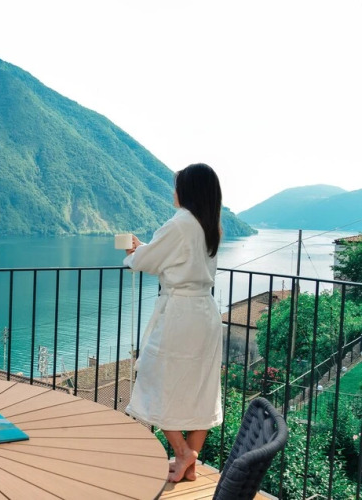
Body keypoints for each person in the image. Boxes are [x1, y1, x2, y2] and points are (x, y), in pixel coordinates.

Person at [123, 163, 223, 483]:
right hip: (205, 312)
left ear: (188, 190)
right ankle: (188, 463)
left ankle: (182, 452)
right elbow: (175, 256)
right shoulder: (209, 225)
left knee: (153, 377)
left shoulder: (180, 223)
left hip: (181, 314)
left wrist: (136, 251)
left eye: (177, 185)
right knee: (201, 387)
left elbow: (147, 260)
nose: (174, 191)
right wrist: (148, 248)